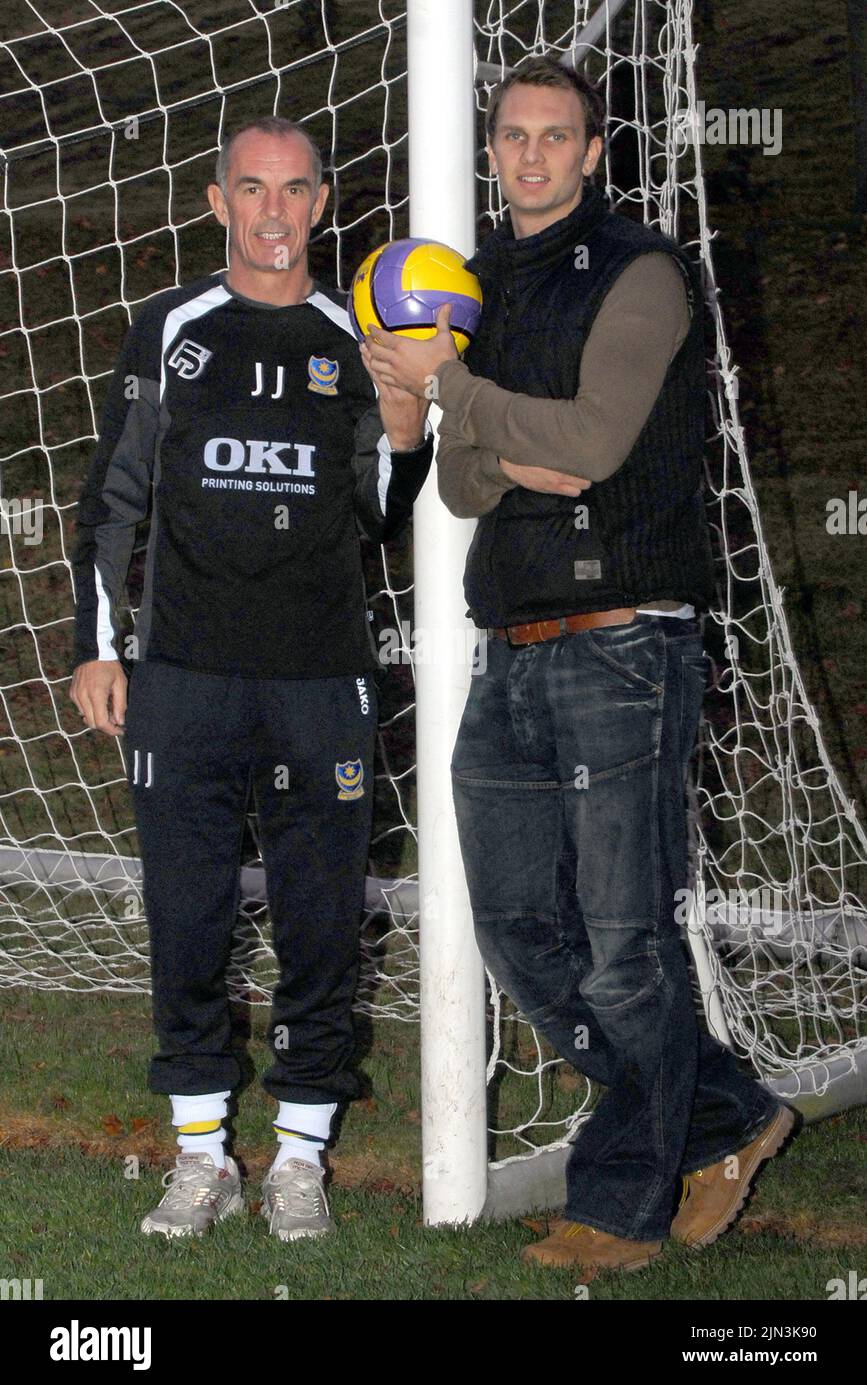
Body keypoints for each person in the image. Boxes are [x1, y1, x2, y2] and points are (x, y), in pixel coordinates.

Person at [363, 57, 795, 1273]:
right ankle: (724, 1113)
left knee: (621, 940)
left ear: (596, 150)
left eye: (560, 137)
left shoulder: (646, 271)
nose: (536, 157)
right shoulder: (481, 286)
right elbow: (459, 480)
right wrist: (505, 434)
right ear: (492, 151)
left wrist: (460, 394)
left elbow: (594, 445)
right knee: (515, 927)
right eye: (515, 138)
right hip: (510, 654)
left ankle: (621, 1202)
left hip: (626, 647)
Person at [70, 116, 432, 1242]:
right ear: (217, 200)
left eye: (294, 190)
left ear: (324, 202)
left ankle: (301, 1160)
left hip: (320, 678)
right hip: (181, 677)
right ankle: (198, 1155)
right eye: (251, 189)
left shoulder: (357, 336)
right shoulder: (169, 329)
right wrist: (97, 644)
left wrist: (409, 426)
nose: (274, 212)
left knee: (323, 923)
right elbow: (110, 501)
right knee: (187, 914)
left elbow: (381, 511)